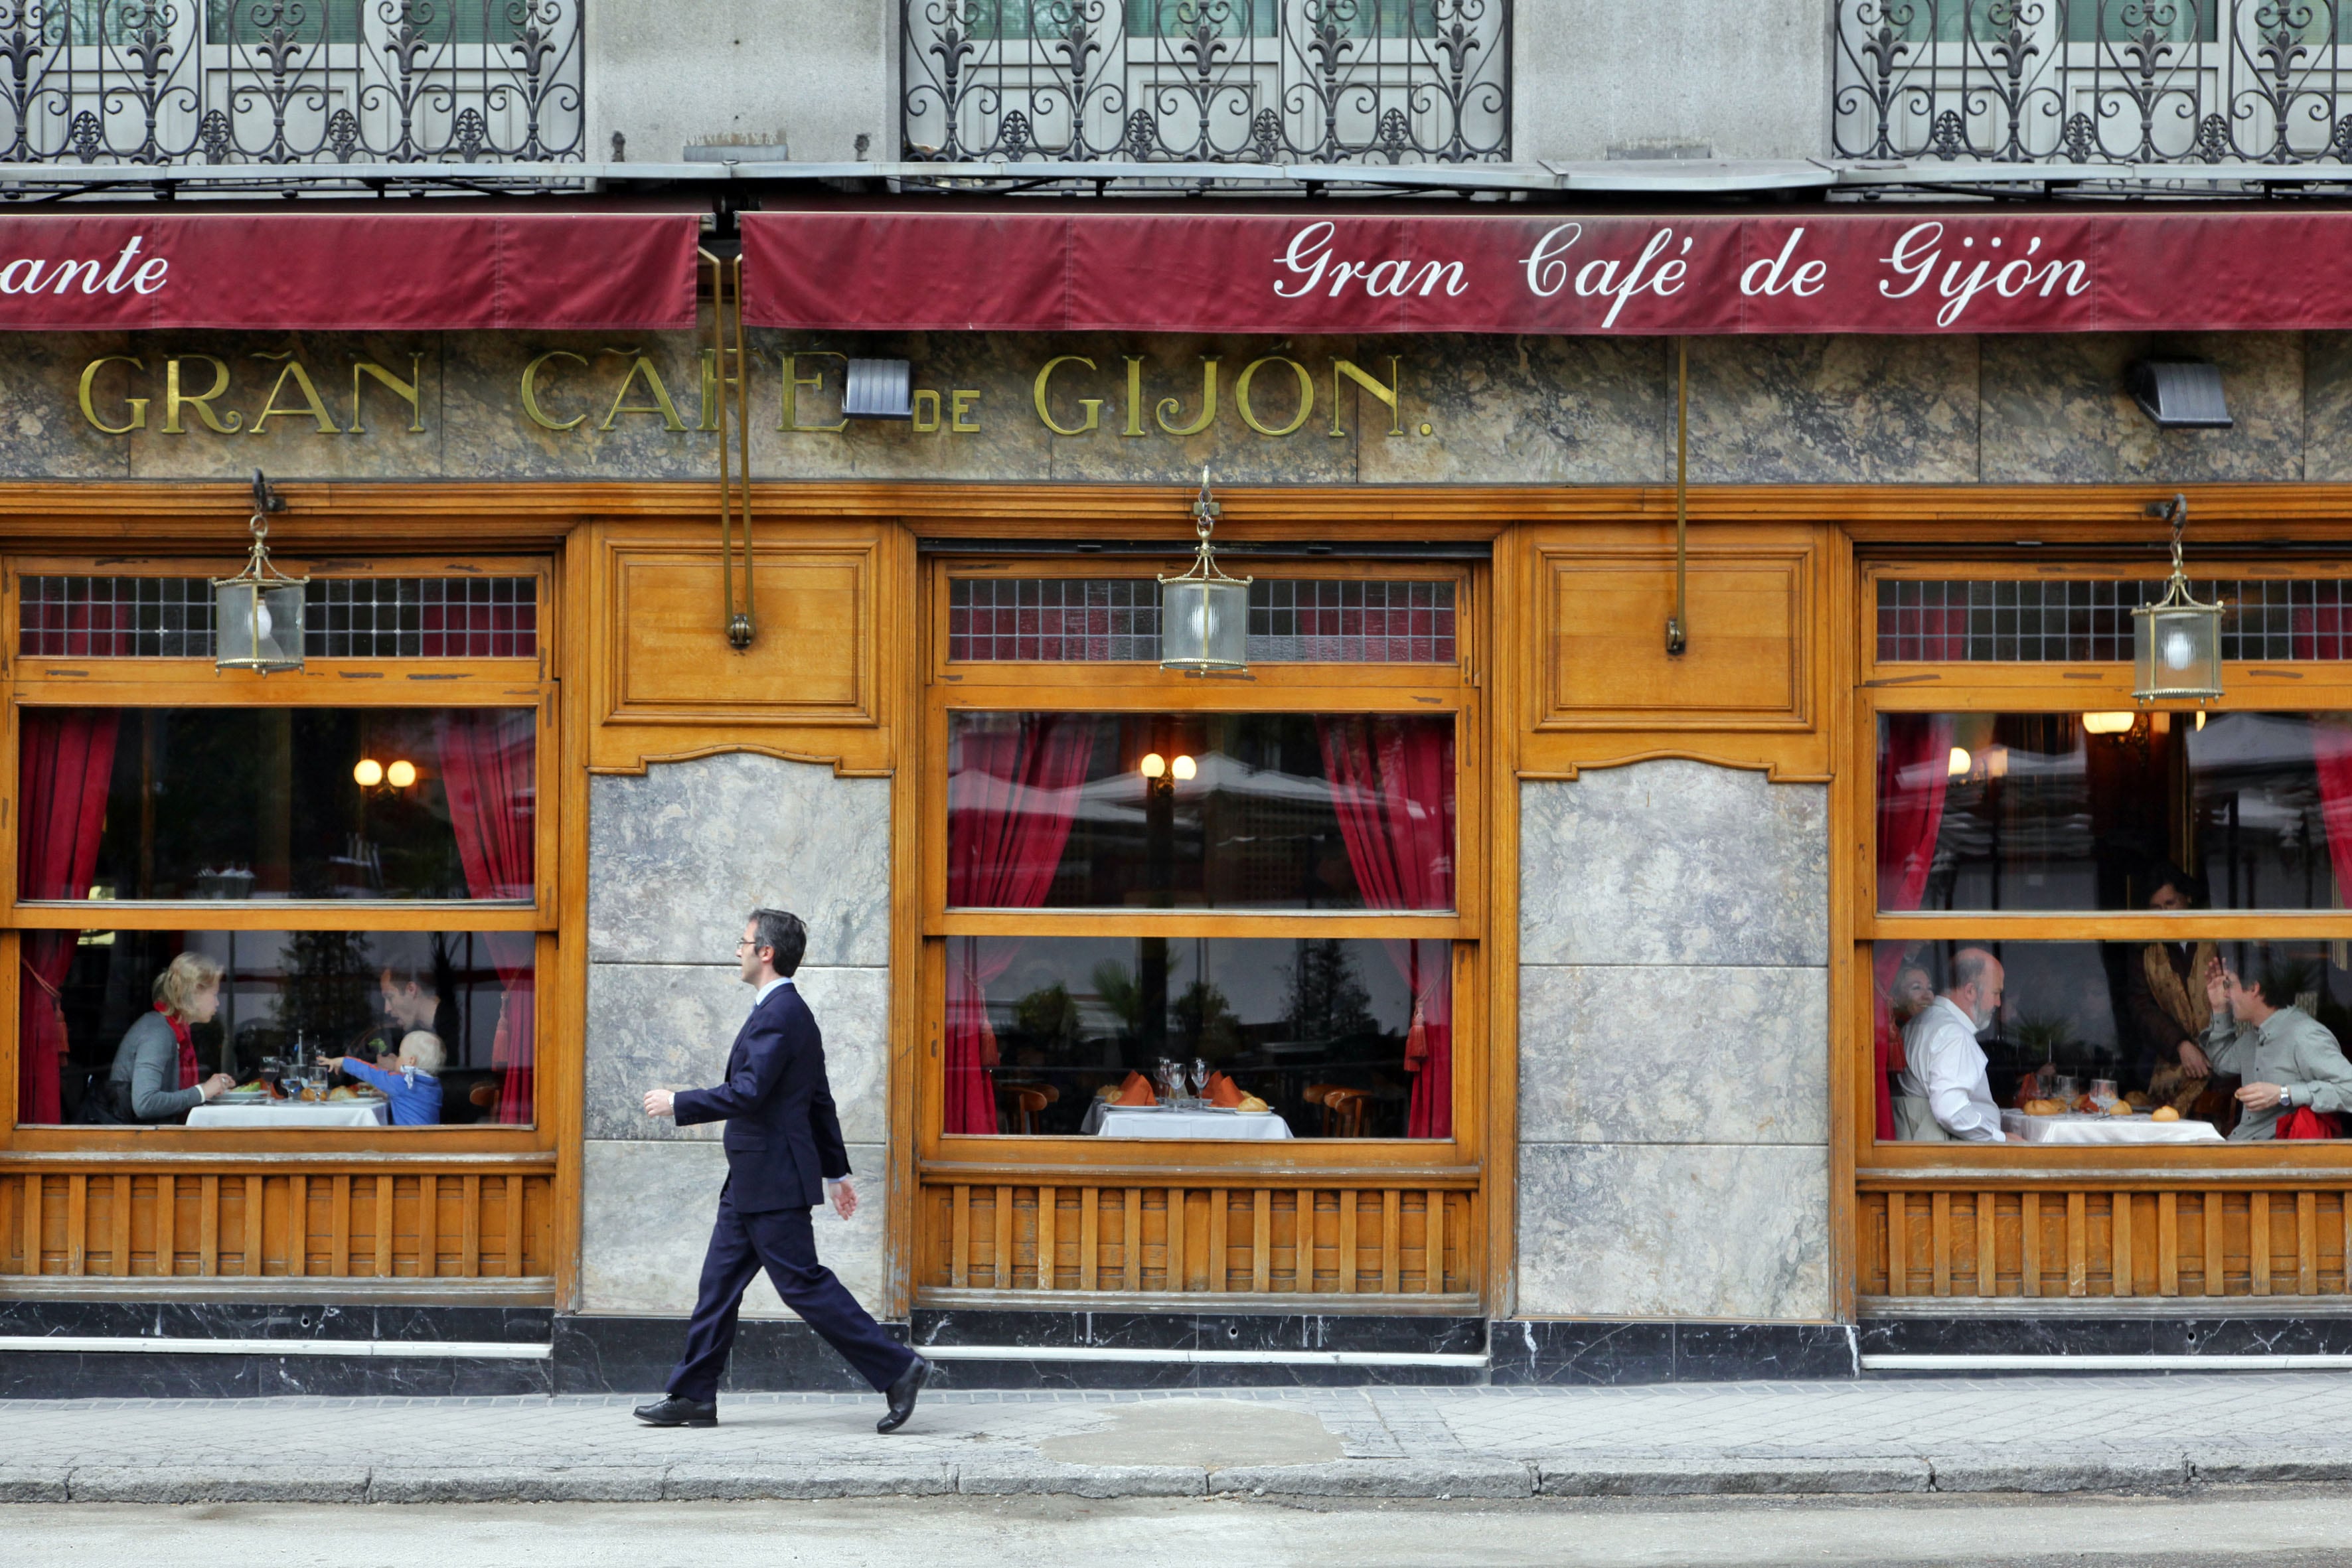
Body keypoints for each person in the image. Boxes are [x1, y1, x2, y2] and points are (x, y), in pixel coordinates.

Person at [631, 908, 929, 1433]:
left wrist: (680, 1102)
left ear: (765, 952)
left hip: (772, 1180)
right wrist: (836, 1174)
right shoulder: (784, 1012)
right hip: (752, 1179)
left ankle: (898, 1367)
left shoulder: (782, 1014)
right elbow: (818, 1101)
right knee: (717, 1287)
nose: (737, 950)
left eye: (743, 941)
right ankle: (693, 1395)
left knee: (801, 1285)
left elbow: (749, 1092)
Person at [2197, 953, 2352, 1141]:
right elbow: (2222, 1063)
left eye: (2229, 985)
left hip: (2277, 1155)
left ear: (2254, 988)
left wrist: (2284, 1094)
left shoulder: (2304, 1035)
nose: (2226, 994)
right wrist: (2219, 1009)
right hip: (2242, 1147)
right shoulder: (2252, 1037)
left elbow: (2349, 1089)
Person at [1893, 947, 2022, 1142]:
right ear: (1970, 991)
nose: (1998, 1003)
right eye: (1995, 993)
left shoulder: (1919, 1023)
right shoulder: (1954, 1035)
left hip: (1923, 1146)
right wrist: (2000, 1139)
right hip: (1951, 1152)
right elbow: (1952, 1111)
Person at [108, 953, 236, 1124]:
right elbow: (145, 1104)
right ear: (195, 992)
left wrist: (210, 1088)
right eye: (214, 994)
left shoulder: (173, 1029)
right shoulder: (158, 1033)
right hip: (134, 1137)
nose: (217, 1003)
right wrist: (202, 1092)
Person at [2121, 868, 2218, 1087]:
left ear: (2188, 898)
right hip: (2171, 1063)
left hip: (2224, 1060)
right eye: (2156, 908)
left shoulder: (2216, 937)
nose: (2164, 913)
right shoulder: (2144, 950)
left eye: (2170, 903)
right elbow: (2141, 1006)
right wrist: (2180, 1044)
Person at [327, 1030, 445, 1127]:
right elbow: (414, 1100)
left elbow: (371, 1073)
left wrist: (344, 1062)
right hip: (429, 1141)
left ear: (411, 1061)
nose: (397, 1058)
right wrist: (388, 1095)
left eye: (400, 1055)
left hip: (407, 1143)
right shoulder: (434, 1085)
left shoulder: (401, 1082)